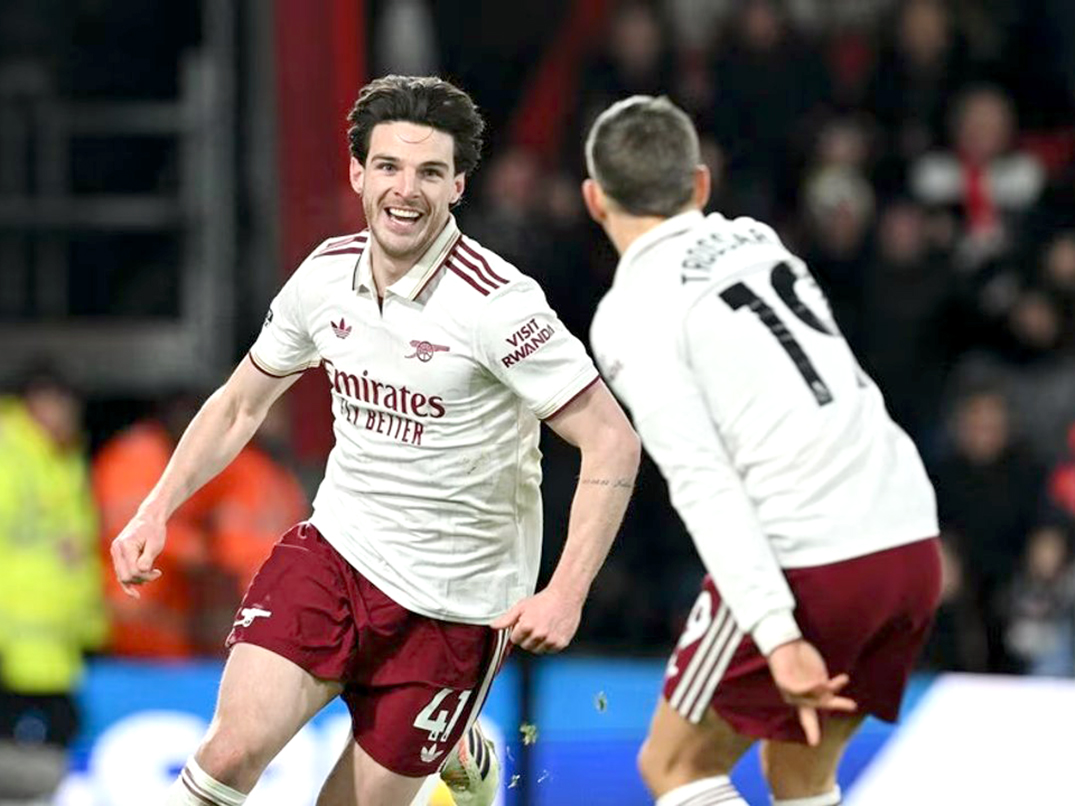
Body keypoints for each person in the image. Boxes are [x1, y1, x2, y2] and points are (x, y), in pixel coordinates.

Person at [109, 74, 639, 806]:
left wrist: (566, 593)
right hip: (337, 555)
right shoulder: (324, 276)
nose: (405, 190)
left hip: (456, 606)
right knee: (227, 755)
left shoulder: (497, 305)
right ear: (358, 173)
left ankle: (463, 750)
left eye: (429, 172)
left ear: (457, 186)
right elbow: (238, 405)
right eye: (388, 166)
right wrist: (155, 508)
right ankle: (450, 741)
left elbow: (612, 440)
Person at [584, 95, 940, 806]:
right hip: (907, 540)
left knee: (676, 766)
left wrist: (777, 634)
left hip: (810, 558)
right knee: (798, 774)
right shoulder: (756, 238)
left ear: (595, 199)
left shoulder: (629, 314)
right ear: (701, 184)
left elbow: (702, 481)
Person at [0, 365, 106, 804]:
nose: (68, 413)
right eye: (60, 402)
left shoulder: (63, 458)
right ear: (36, 400)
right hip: (12, 647)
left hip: (54, 649)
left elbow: (75, 552)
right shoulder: (10, 451)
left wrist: (90, 627)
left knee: (51, 766)